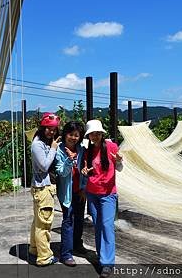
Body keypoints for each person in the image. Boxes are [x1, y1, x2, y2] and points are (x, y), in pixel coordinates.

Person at [81, 119, 123, 278]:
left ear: (102, 133)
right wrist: (85, 172)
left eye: (97, 133)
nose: (95, 136)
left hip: (108, 194)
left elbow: (119, 168)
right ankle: (102, 257)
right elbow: (87, 171)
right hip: (92, 193)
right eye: (92, 133)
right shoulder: (88, 151)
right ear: (89, 135)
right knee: (98, 225)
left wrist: (118, 161)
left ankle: (107, 263)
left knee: (107, 226)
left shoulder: (111, 146)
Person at [29, 112, 61, 266]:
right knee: (44, 224)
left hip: (41, 187)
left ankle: (34, 249)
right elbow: (44, 165)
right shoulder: (37, 144)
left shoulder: (43, 142)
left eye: (54, 129)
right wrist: (54, 148)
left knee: (38, 221)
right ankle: (44, 257)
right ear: (42, 127)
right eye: (48, 128)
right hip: (43, 188)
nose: (52, 132)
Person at [55, 121, 87, 267]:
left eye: (76, 135)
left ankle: (77, 244)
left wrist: (84, 188)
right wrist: (70, 159)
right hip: (66, 192)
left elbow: (86, 169)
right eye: (70, 134)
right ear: (65, 134)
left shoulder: (82, 150)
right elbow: (61, 172)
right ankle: (66, 254)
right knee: (68, 221)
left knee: (80, 219)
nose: (73, 137)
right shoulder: (59, 150)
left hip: (79, 191)